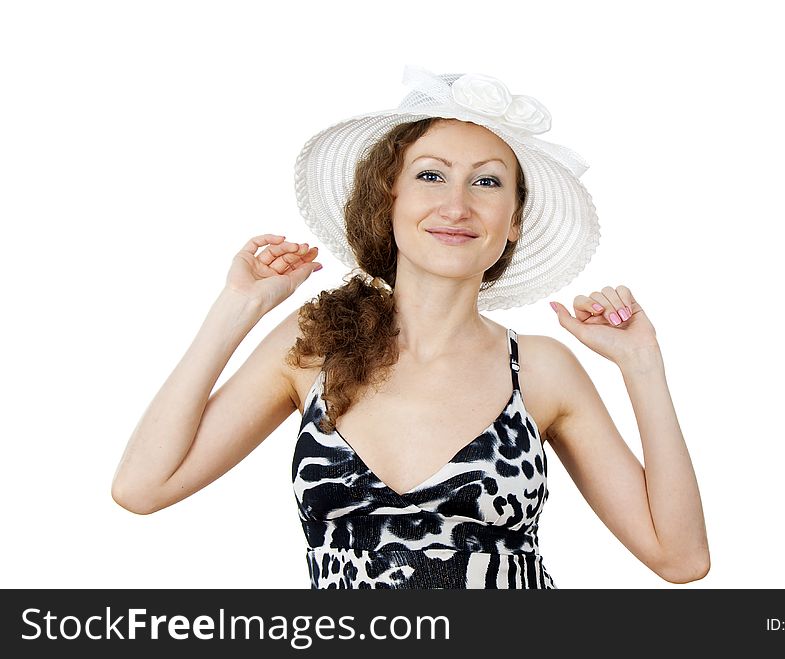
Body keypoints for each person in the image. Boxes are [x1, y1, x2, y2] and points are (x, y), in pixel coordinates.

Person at [112, 65, 710, 589]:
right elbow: (143, 489)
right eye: (430, 175)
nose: (457, 204)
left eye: (487, 181)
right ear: (388, 199)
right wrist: (236, 308)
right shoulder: (315, 344)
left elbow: (680, 560)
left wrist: (643, 364)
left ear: (514, 222)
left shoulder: (541, 369)